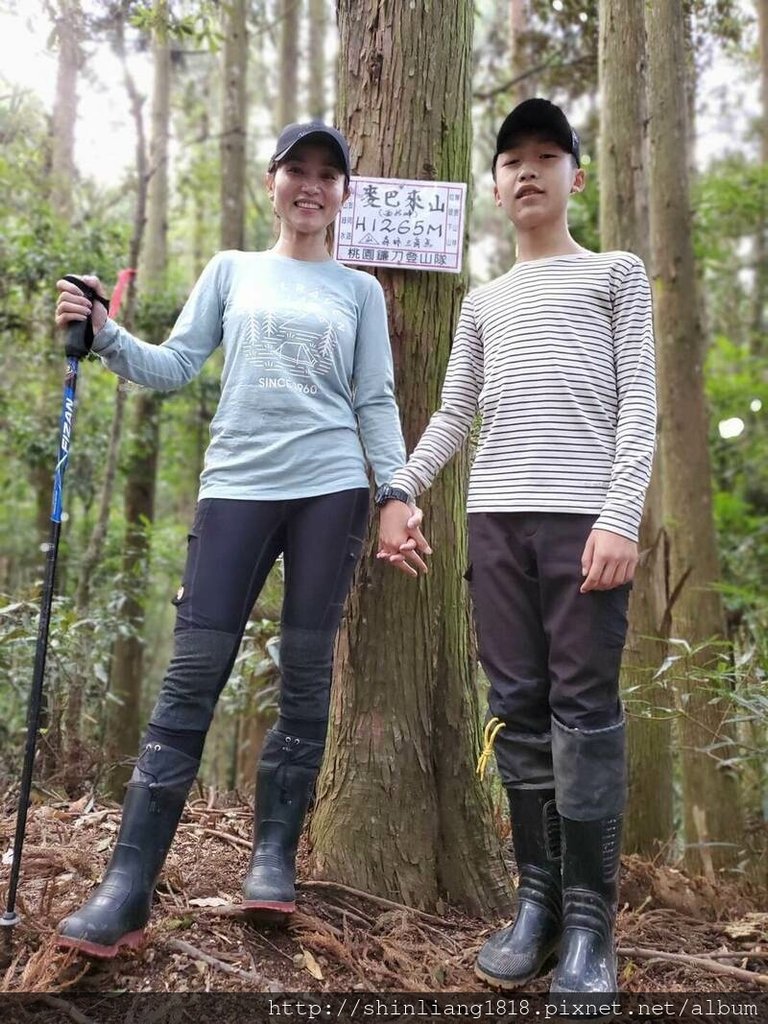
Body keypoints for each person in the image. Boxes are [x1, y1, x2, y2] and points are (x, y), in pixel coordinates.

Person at [53, 121, 427, 959]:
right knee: (191, 679)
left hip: (332, 490)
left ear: (342, 197)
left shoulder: (359, 291)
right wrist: (107, 334)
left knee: (303, 679)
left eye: (328, 175)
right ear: (272, 182)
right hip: (236, 487)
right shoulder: (232, 271)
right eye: (298, 169)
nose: (311, 185)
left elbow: (374, 402)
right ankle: (126, 885)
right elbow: (177, 364)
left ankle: (272, 859)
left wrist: (397, 490)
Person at [377, 99, 656, 997]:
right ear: (495, 189)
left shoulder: (618, 273)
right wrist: (403, 488)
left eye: (547, 154)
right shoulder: (484, 301)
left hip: (585, 524)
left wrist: (620, 514)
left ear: (577, 175)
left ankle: (588, 924)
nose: (528, 170)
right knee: (519, 705)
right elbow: (458, 410)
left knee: (585, 706)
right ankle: (536, 902)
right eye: (511, 160)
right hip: (496, 522)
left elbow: (640, 406)